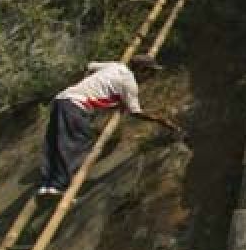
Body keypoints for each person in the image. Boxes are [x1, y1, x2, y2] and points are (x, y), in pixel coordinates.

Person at [38, 55, 180, 196]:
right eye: (150, 72)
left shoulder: (115, 66)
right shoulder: (129, 83)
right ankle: (58, 185)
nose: (151, 76)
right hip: (75, 106)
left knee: (55, 143)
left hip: (62, 99)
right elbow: (136, 112)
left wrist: (90, 87)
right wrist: (162, 121)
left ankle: (47, 185)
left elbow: (89, 66)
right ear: (142, 69)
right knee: (77, 141)